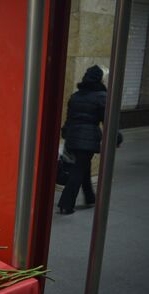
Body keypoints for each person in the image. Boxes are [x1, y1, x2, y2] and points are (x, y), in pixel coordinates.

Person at [57, 65, 108, 215]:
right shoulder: (101, 97)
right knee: (78, 170)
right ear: (99, 79)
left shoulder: (76, 96)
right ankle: (66, 204)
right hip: (88, 140)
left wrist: (65, 133)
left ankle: (90, 197)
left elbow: (69, 119)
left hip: (73, 137)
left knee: (83, 166)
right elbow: (107, 120)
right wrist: (116, 137)